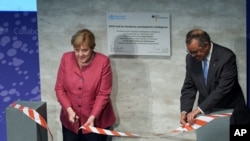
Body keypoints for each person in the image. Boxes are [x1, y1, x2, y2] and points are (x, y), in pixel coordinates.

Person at [54, 28, 116, 141]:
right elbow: (59, 89)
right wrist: (69, 110)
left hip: (96, 122)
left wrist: (92, 117)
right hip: (70, 121)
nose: (80, 54)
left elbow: (103, 94)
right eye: (76, 50)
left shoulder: (103, 62)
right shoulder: (66, 58)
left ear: (92, 48)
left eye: (84, 50)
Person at [180, 29, 250, 126]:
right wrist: (185, 111)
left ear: (206, 45)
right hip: (207, 111)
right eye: (190, 51)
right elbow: (189, 86)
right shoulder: (191, 59)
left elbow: (222, 88)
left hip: (230, 110)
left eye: (196, 52)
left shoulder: (226, 57)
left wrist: (199, 109)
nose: (193, 55)